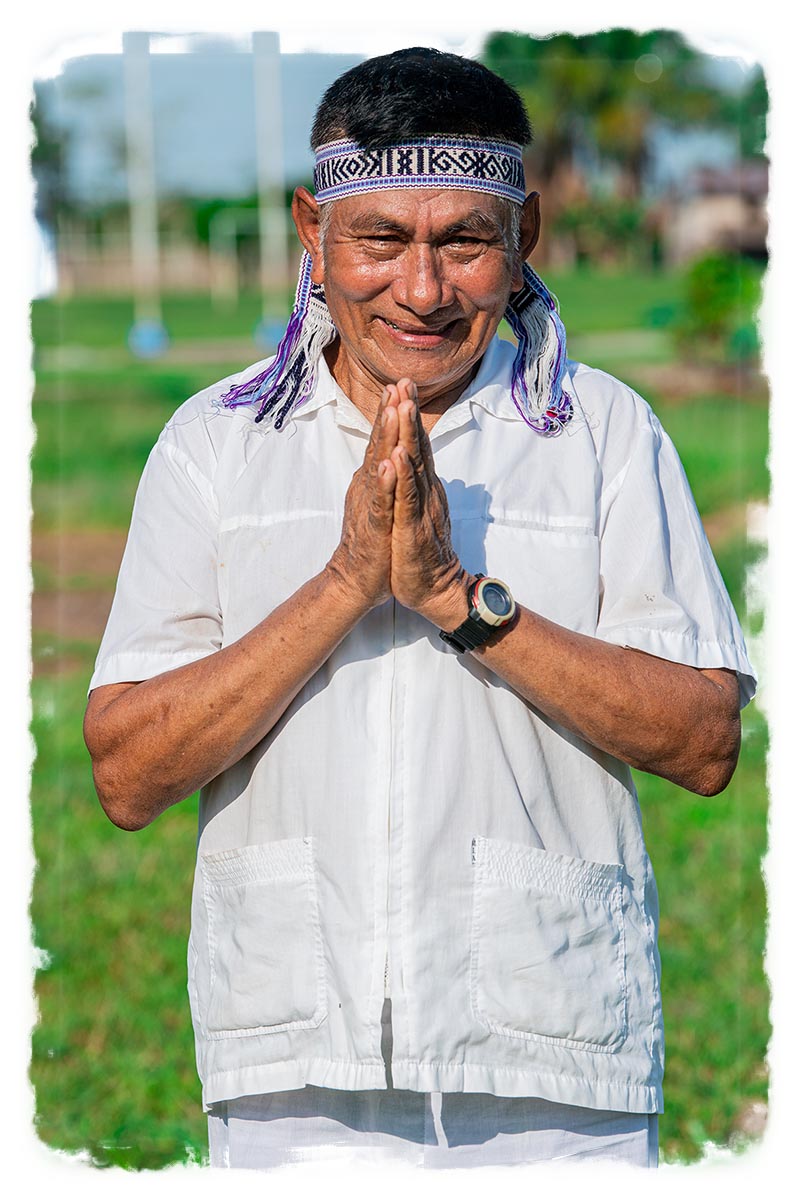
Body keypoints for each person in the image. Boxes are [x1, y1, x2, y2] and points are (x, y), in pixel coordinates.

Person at [84, 47, 755, 1170]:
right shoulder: (216, 446)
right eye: (379, 240)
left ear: (523, 235)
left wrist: (457, 599)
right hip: (290, 1068)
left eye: (464, 242)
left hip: (552, 1069)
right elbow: (125, 773)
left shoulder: (601, 435)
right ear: (313, 232)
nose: (422, 289)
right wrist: (349, 582)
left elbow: (699, 741)